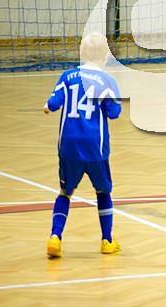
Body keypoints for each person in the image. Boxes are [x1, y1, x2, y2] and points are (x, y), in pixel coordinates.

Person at [44, 32, 122, 258]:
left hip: (68, 147)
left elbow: (52, 104)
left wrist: (48, 106)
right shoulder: (108, 82)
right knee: (103, 191)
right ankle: (107, 240)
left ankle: (55, 237)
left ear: (80, 53)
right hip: (96, 149)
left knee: (64, 192)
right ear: (106, 57)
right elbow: (114, 113)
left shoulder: (67, 76)